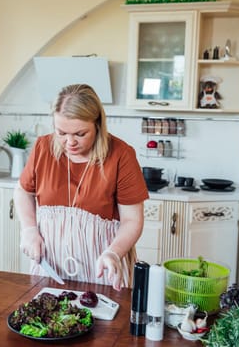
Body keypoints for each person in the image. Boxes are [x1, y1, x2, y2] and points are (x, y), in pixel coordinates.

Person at [13, 84, 149, 290]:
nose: (69, 142)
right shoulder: (43, 147)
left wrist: (114, 253)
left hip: (102, 269)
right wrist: (29, 229)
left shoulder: (121, 155)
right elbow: (23, 191)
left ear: (97, 125)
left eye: (80, 134)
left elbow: (132, 220)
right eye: (61, 132)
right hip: (50, 267)